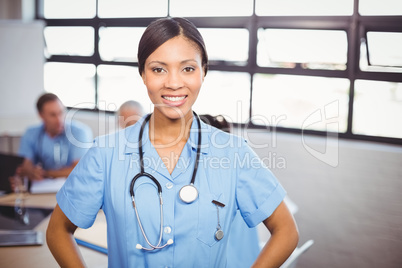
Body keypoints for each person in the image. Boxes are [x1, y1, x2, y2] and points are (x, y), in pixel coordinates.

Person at [47, 17, 298, 267]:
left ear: (204, 71)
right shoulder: (105, 153)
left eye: (188, 68)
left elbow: (286, 231)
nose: (174, 83)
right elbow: (58, 230)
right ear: (143, 74)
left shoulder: (234, 153)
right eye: (159, 69)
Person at [17, 93, 93, 181]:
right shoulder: (31, 133)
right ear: (41, 115)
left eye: (61, 113)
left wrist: (46, 173)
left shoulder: (80, 132)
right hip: (42, 188)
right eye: (53, 115)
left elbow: (79, 170)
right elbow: (25, 165)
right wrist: (31, 171)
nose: (59, 120)